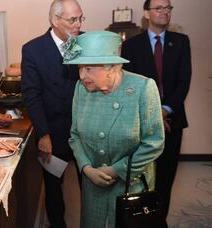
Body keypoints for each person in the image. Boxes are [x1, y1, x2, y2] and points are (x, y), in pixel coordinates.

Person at [65, 31, 165, 228]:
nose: (82, 76)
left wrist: (116, 170)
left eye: (88, 69)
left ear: (111, 67)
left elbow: (154, 142)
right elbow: (74, 135)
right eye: (79, 68)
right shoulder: (81, 89)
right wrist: (86, 168)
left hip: (131, 184)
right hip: (92, 184)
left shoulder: (143, 87)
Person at [121, 0, 191, 218]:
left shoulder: (181, 42)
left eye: (168, 8)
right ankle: (143, 220)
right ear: (146, 13)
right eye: (158, 8)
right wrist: (152, 113)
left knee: (166, 179)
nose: (164, 12)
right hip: (141, 124)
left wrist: (165, 110)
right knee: (142, 178)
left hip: (172, 121)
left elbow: (184, 81)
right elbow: (129, 87)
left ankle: (159, 221)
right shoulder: (132, 45)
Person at [21, 0, 84, 227]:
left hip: (83, 132)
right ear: (55, 20)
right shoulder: (33, 49)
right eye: (72, 19)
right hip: (53, 132)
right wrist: (43, 134)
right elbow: (32, 94)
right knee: (53, 188)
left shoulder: (83, 43)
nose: (78, 24)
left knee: (88, 185)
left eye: (80, 18)